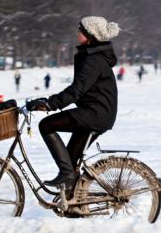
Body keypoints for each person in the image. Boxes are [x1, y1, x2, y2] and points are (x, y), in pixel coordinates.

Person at [26, 16, 120, 190]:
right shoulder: (93, 56)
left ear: (90, 34)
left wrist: (51, 104)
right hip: (96, 113)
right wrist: (50, 102)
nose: (78, 33)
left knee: (47, 125)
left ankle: (68, 175)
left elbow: (77, 90)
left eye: (81, 30)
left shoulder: (94, 60)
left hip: (95, 114)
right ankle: (74, 202)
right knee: (70, 161)